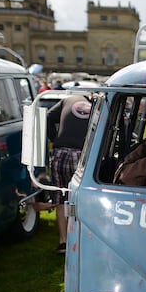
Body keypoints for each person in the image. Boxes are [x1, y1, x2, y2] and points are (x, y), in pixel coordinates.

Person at [46, 94, 92, 253]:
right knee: (81, 198)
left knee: (60, 198)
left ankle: (63, 242)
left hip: (59, 153)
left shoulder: (67, 99)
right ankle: (80, 240)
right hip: (80, 154)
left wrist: (54, 137)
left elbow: (48, 116)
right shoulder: (95, 103)